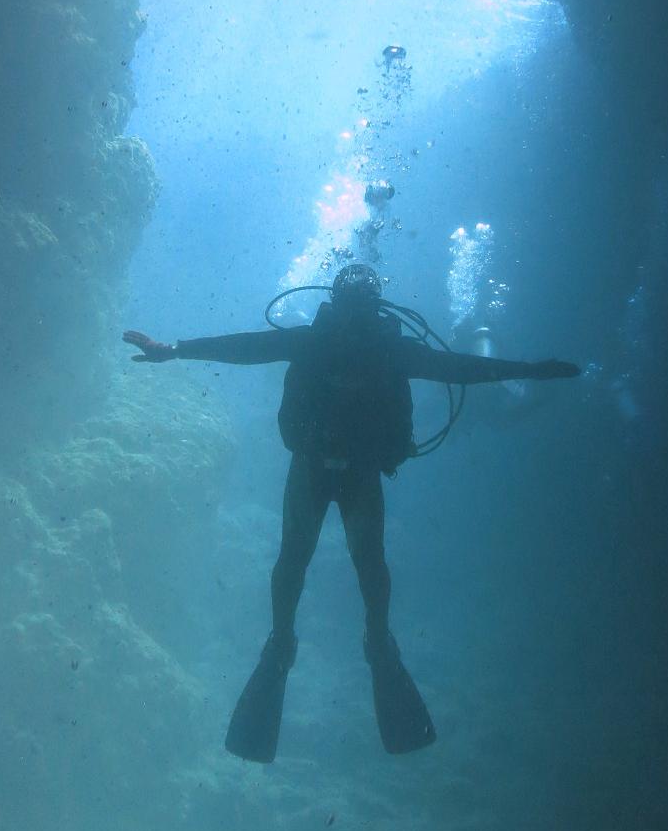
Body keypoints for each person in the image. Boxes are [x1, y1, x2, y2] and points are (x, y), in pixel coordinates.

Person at [124, 263, 580, 762]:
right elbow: (461, 369)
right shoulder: (390, 350)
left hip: (317, 469)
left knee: (301, 558)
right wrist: (528, 370)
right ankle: (372, 640)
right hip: (354, 472)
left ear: (338, 302)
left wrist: (175, 349)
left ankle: (287, 640)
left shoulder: (316, 342)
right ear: (374, 306)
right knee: (363, 561)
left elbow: (247, 348)